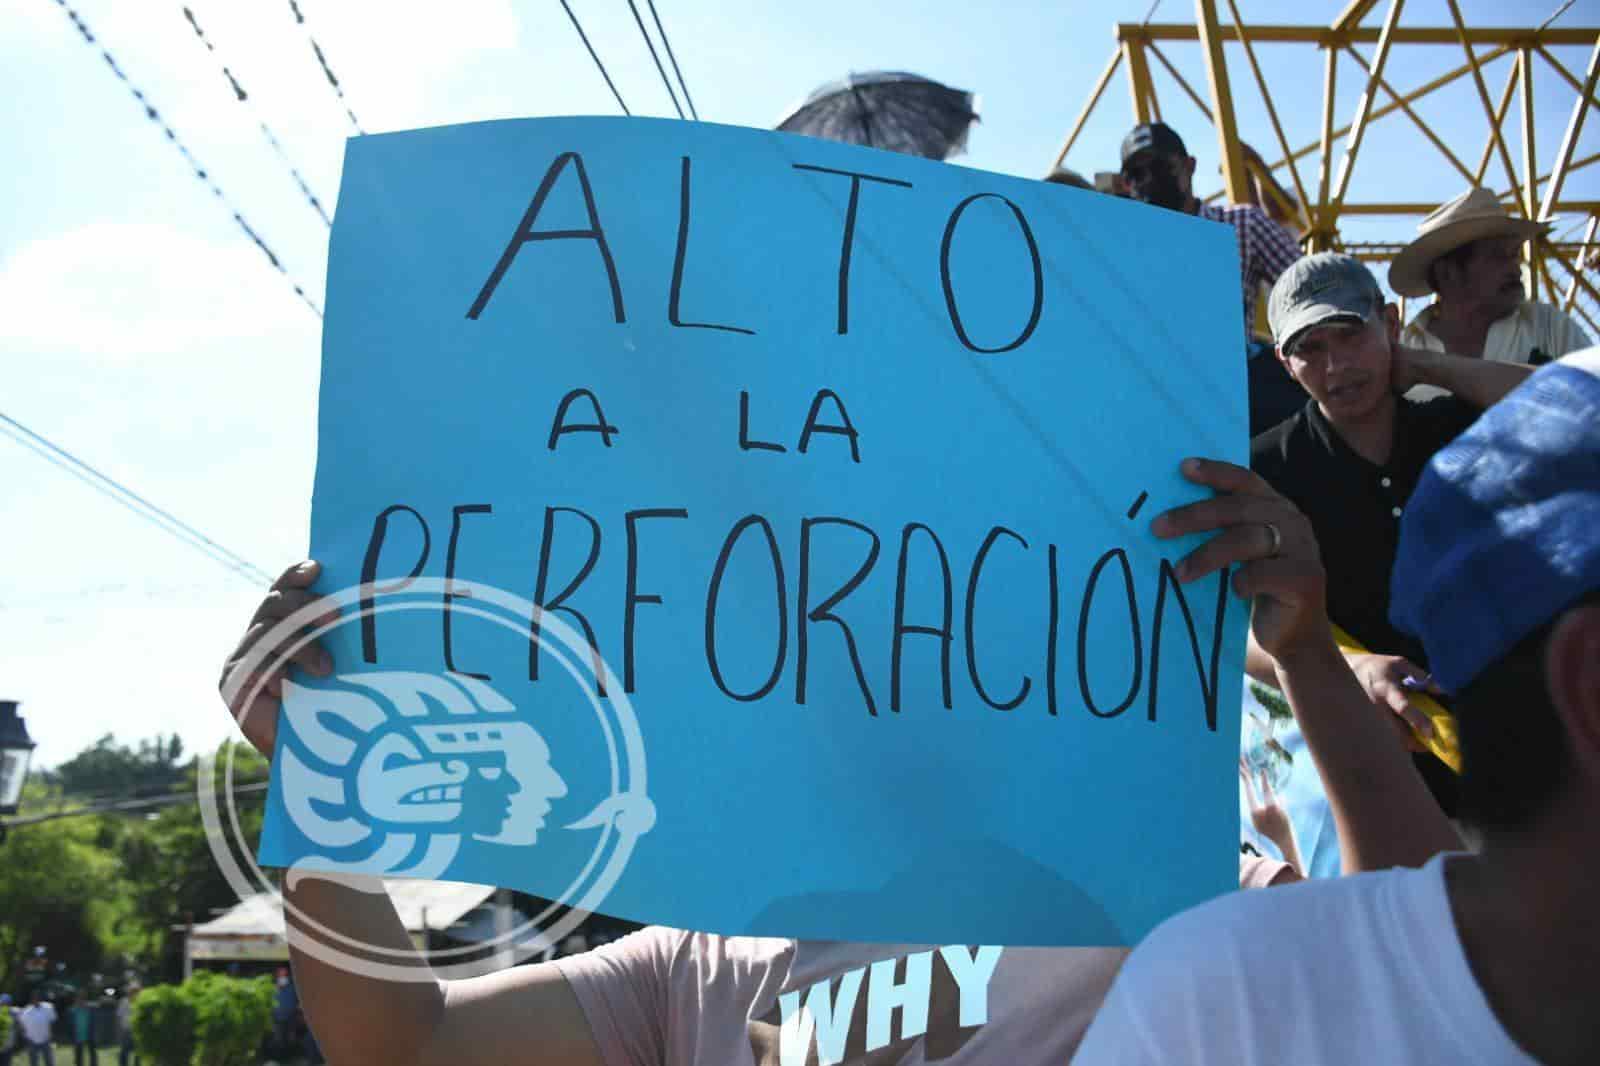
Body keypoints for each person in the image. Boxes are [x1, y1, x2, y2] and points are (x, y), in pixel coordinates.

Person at [1074, 349, 1600, 1064]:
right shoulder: (1222, 1013)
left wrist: (1312, 655)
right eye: (1307, 350)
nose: (1331, 366)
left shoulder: (1216, 1008)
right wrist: (1312, 655)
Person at [1249, 252, 1534, 815]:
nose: (1335, 366)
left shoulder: (1455, 426)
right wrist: (1349, 668)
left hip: (1517, 746)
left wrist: (1431, 367)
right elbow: (1235, 626)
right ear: (1285, 363)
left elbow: (1576, 409)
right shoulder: (1267, 472)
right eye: (1310, 348)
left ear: (1393, 324)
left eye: (1350, 335)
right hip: (1370, 778)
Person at [1118, 121, 1305, 435]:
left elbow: (1309, 289)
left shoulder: (1241, 224)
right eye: (1136, 174)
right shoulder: (1121, 250)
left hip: (1240, 390)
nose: (1149, 179)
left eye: (1160, 165)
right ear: (1125, 185)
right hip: (1157, 397)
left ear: (1189, 166)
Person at [1391, 187, 1592, 382]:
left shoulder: (1550, 326)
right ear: (1448, 273)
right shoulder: (1407, 349)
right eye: (1498, 256)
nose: (1516, 269)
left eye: (1515, 255)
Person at [16, 993, 55, 1066]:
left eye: (37, 998)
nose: (36, 1000)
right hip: (32, 1040)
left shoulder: (48, 1007)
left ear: (40, 999)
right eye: (34, 999)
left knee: (49, 1061)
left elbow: (52, 1021)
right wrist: (24, 1035)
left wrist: (50, 1034)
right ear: (31, 1000)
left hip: (45, 1039)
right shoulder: (26, 1011)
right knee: (33, 1062)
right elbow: (20, 1023)